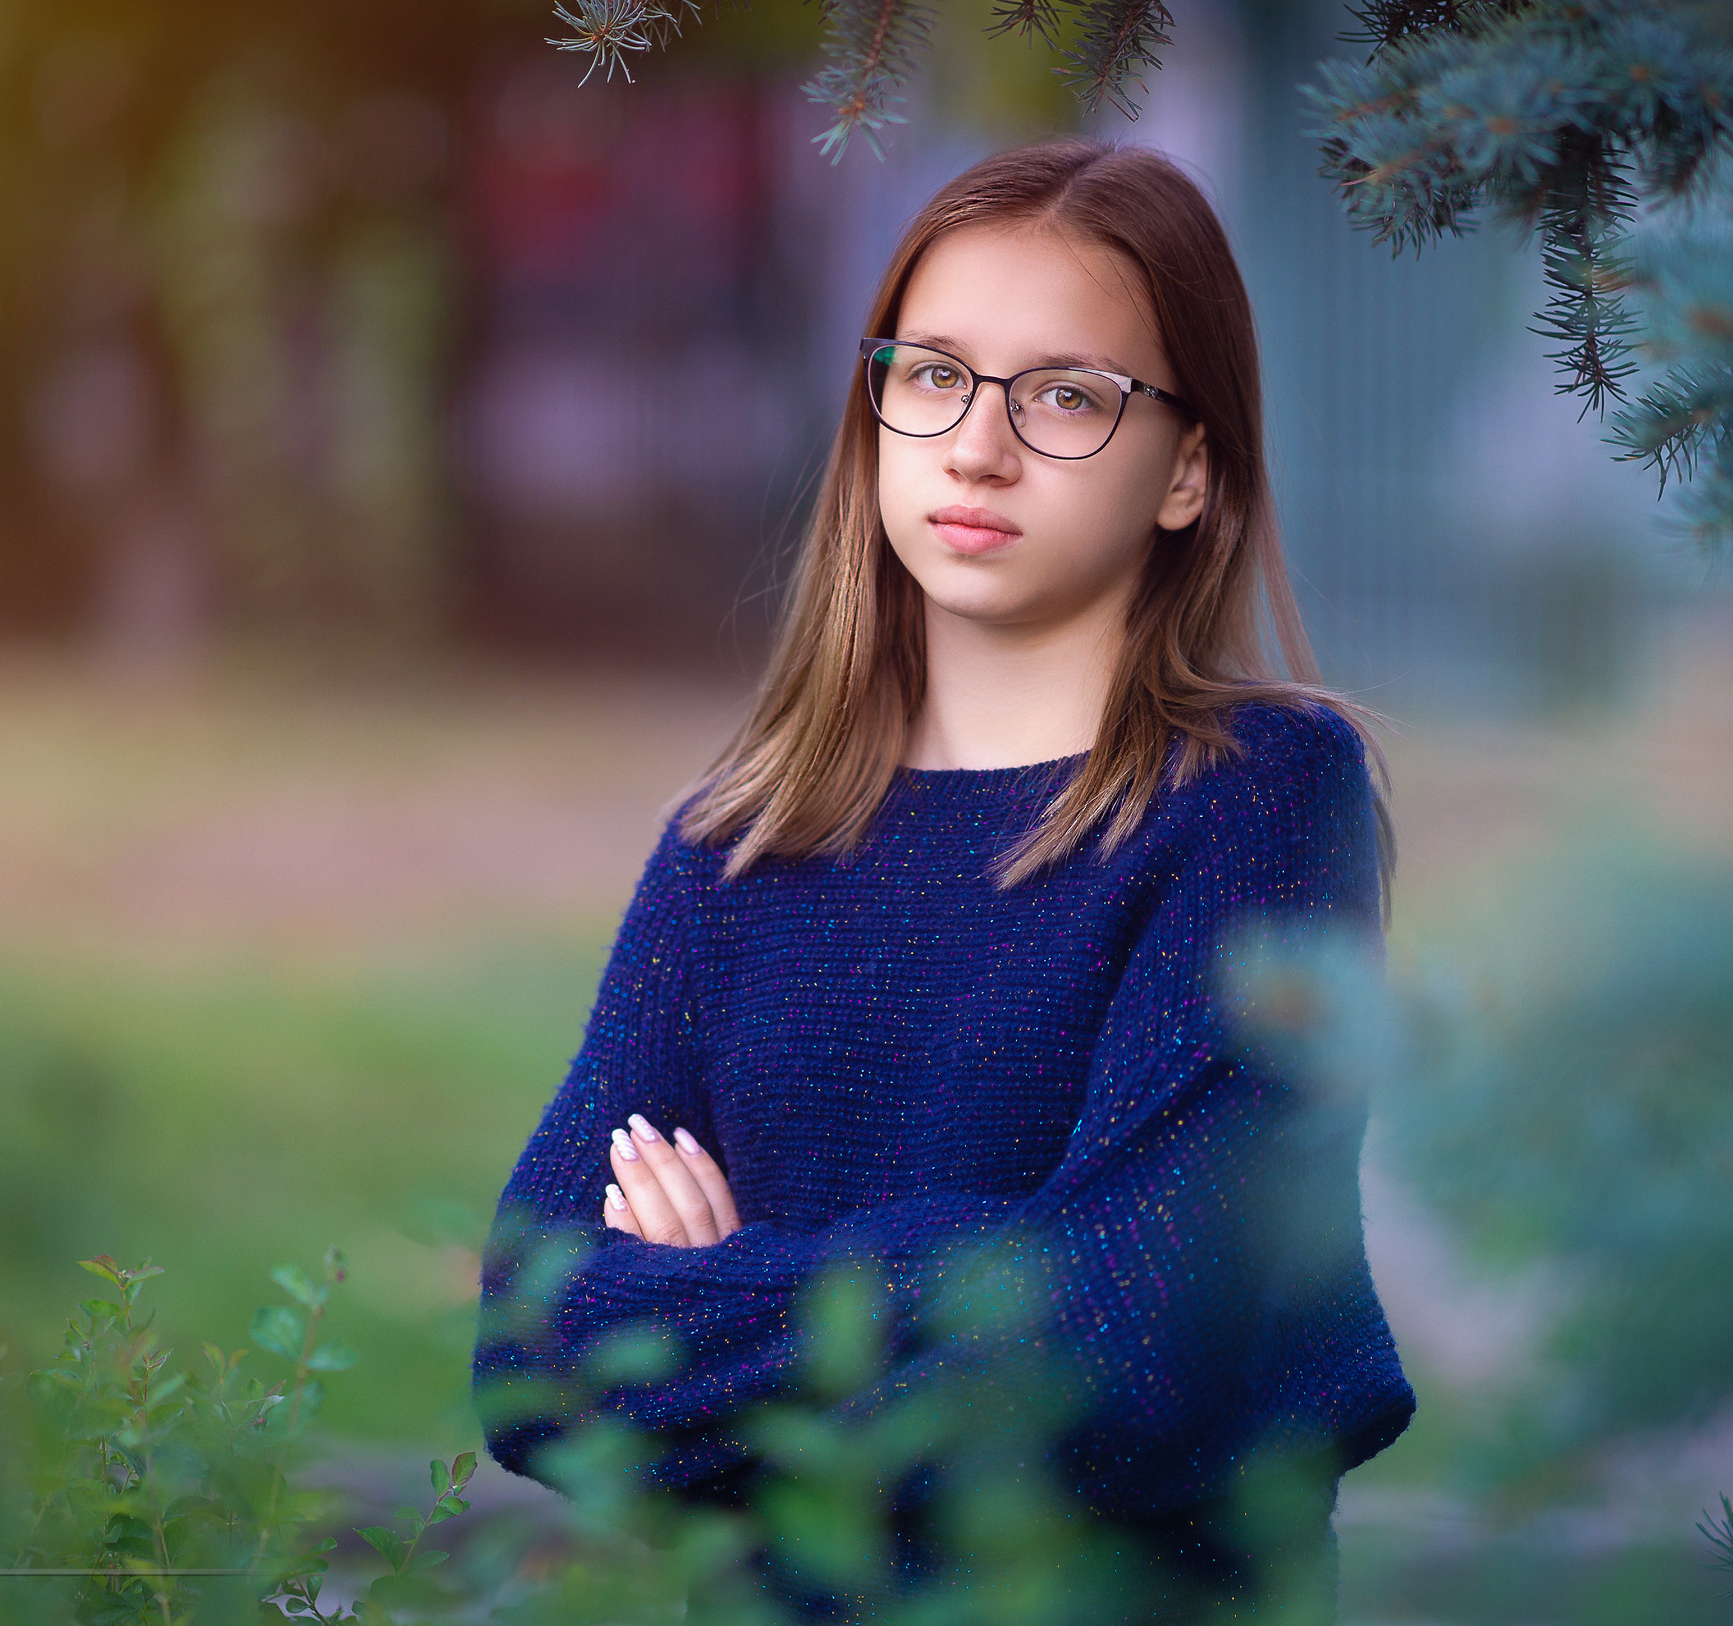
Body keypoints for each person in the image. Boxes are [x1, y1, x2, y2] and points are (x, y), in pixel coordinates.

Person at [472, 138, 1414, 1623]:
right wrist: (987, 1291)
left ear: (1188, 470)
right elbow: (536, 1349)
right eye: (933, 375)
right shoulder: (735, 848)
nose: (977, 448)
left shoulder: (1258, 804)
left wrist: (724, 1292)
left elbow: (1135, 1350)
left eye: (1067, 395)